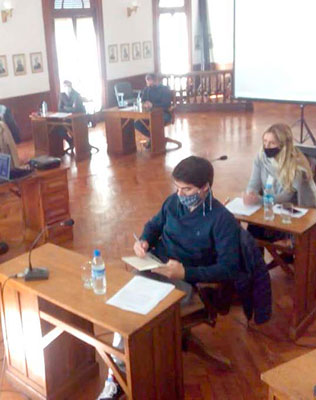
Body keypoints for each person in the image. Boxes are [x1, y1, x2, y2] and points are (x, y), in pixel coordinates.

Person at [97, 156, 241, 400]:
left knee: (138, 313)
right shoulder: (173, 202)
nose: (180, 194)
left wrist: (185, 273)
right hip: (156, 267)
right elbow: (154, 226)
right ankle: (121, 374)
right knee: (123, 306)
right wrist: (144, 241)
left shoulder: (221, 219)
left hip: (189, 281)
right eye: (177, 187)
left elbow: (228, 269)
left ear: (205, 187)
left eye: (187, 189)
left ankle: (124, 376)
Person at [133, 73, 172, 147]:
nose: (148, 83)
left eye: (149, 81)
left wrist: (153, 105)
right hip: (149, 114)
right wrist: (145, 104)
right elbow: (143, 100)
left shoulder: (164, 89)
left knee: (155, 121)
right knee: (137, 124)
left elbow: (166, 104)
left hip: (163, 113)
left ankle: (156, 140)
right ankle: (156, 139)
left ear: (155, 80)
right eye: (147, 81)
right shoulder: (147, 89)